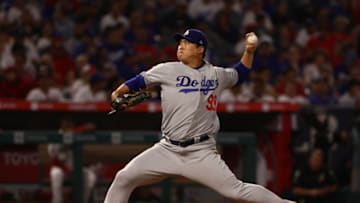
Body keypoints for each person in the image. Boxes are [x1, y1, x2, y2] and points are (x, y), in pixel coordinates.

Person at [104, 28, 295, 203]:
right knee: (124, 178)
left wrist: (250, 51)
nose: (181, 46)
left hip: (200, 152)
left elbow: (241, 73)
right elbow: (139, 81)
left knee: (236, 191)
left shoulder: (216, 74)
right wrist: (117, 92)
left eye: (186, 43)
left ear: (200, 49)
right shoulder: (167, 69)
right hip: (168, 149)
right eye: (180, 42)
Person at [48, 117, 97, 203]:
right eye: (66, 123)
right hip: (60, 168)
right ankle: (57, 201)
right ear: (62, 124)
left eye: (70, 123)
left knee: (91, 177)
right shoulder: (56, 137)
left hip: (75, 169)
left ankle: (83, 201)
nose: (68, 125)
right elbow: (54, 157)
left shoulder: (75, 133)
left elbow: (88, 128)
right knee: (56, 175)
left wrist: (86, 127)